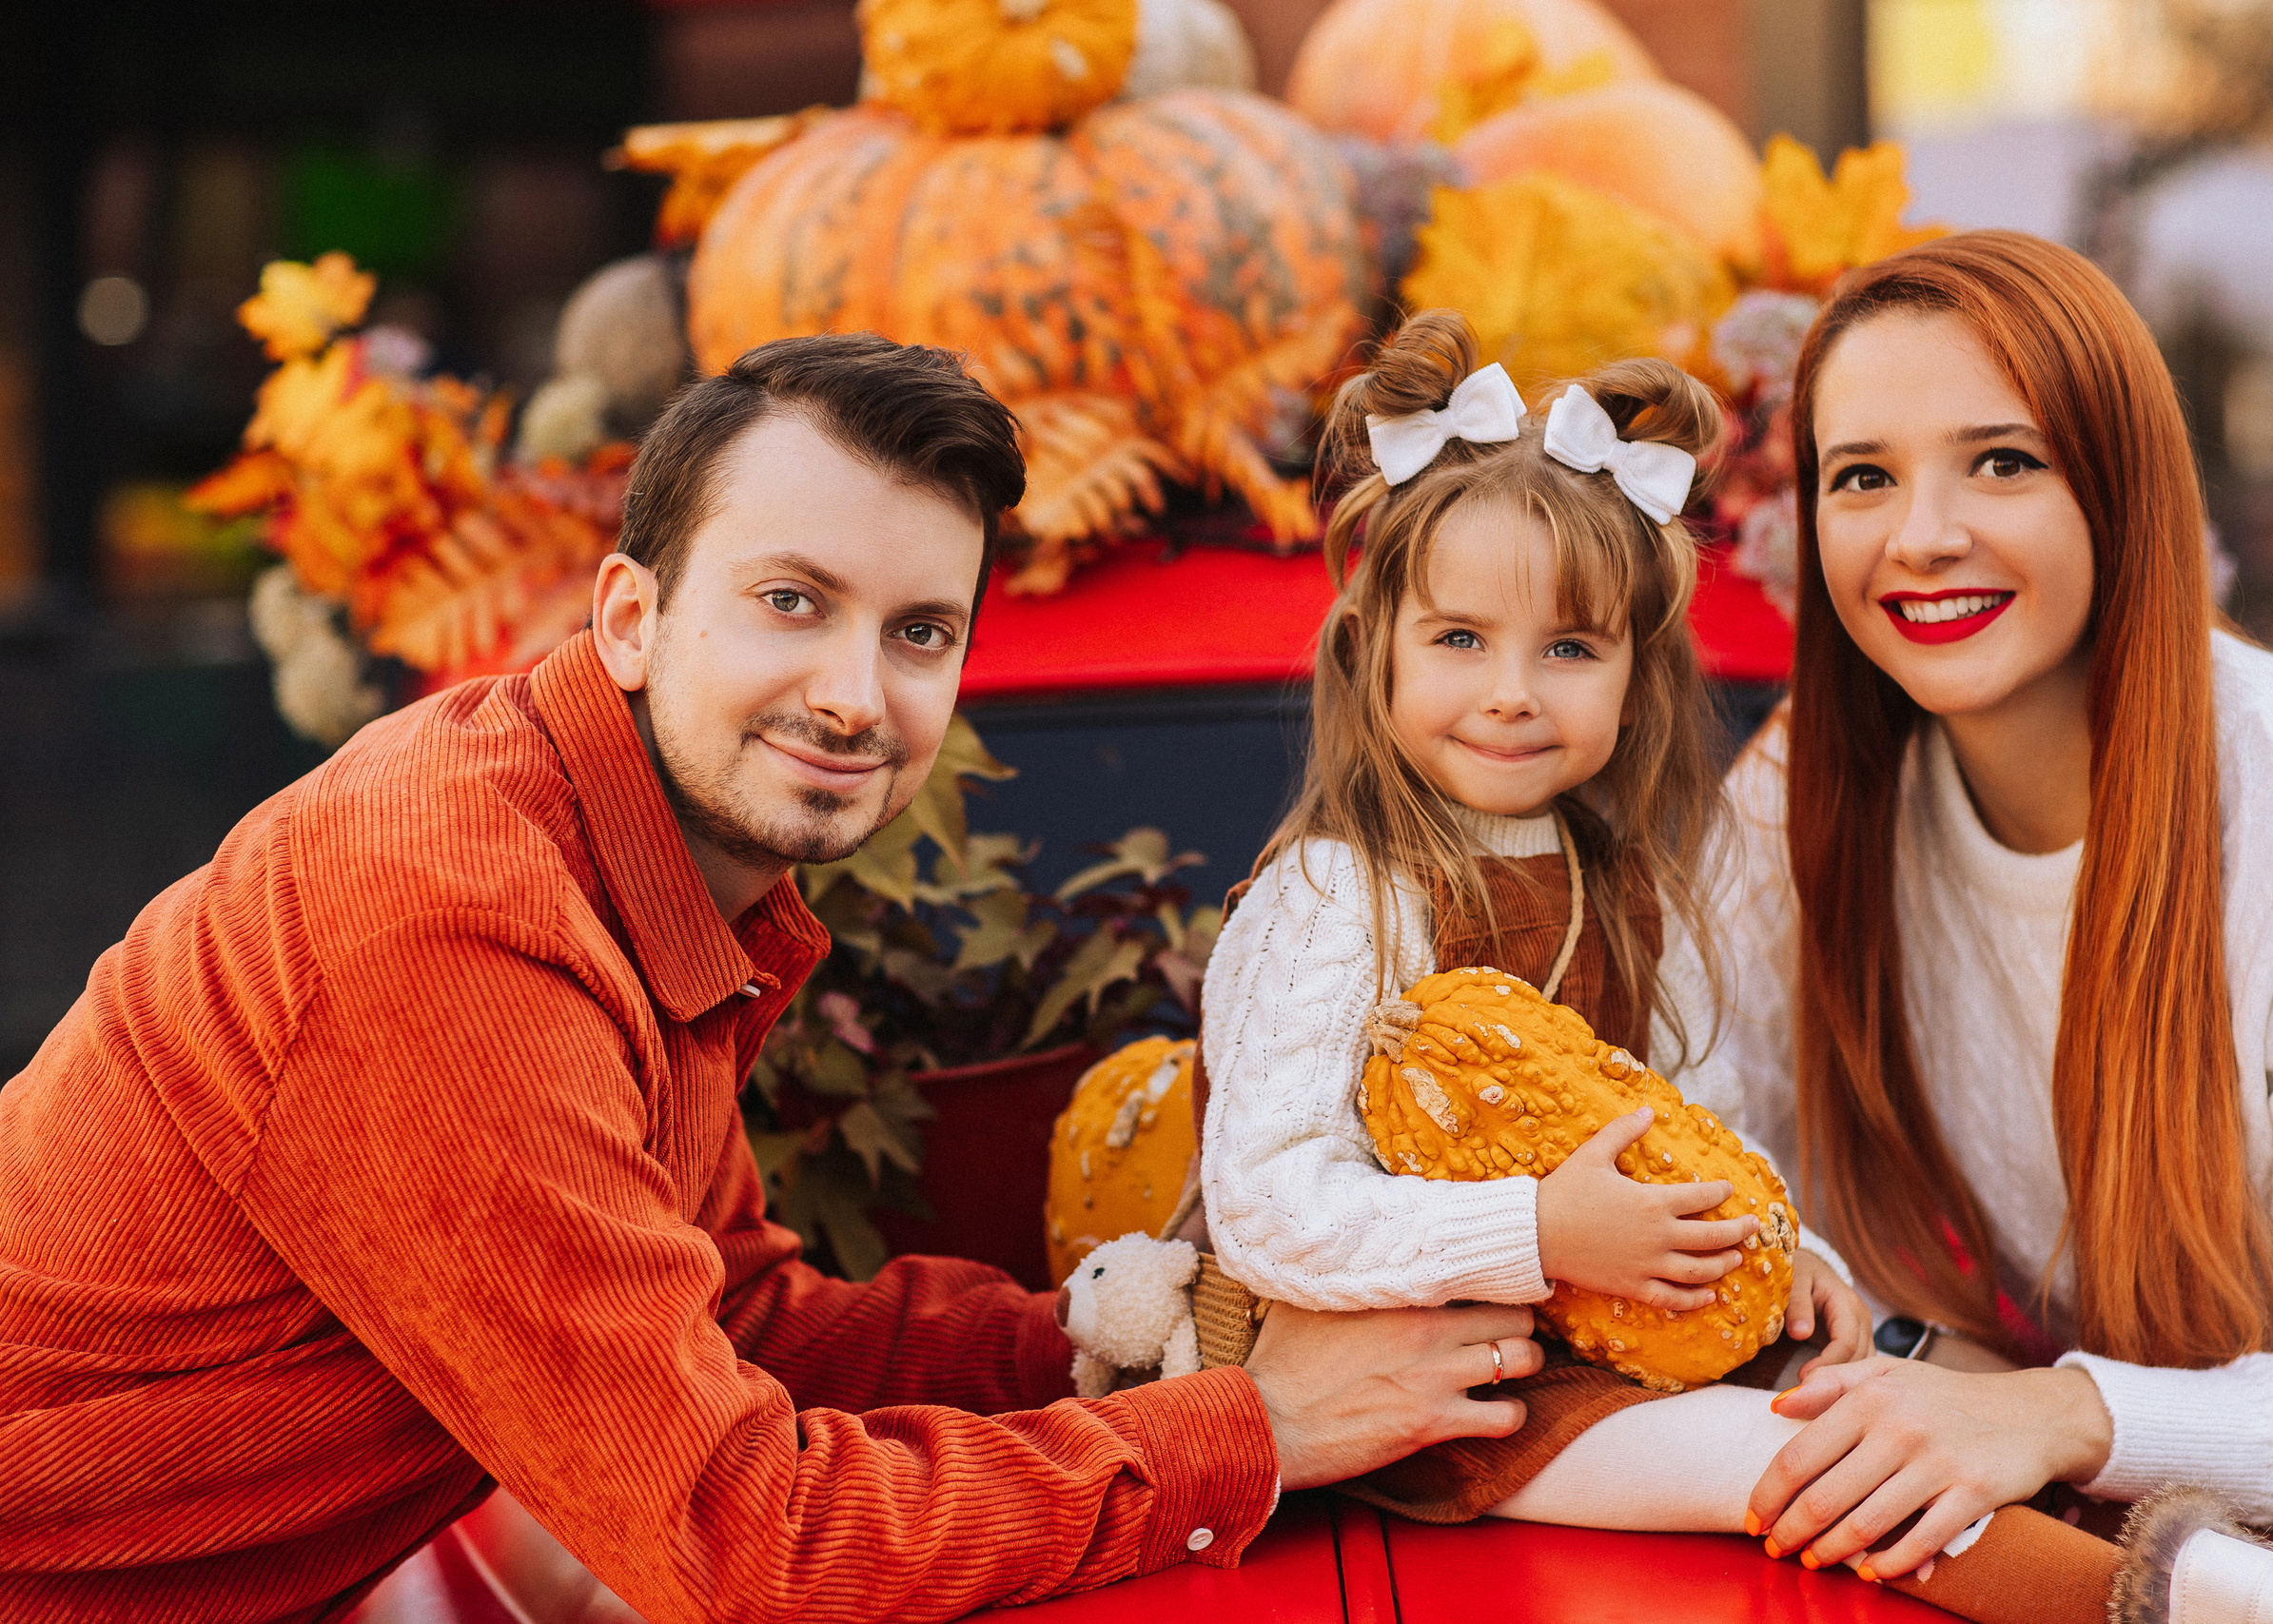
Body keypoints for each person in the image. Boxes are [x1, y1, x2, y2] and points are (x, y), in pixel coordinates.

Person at [0, 333, 1550, 1624]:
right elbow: (736, 1539)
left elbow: (730, 1317)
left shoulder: (653, 873)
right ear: (630, 614)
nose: (853, 695)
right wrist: (1257, 1429)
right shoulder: (448, 912)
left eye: (920, 631)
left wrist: (1144, 1336)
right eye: (790, 602)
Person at [1668, 230, 2273, 1585]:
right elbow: (1690, 1127)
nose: (1921, 537)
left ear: (2121, 488)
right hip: (2086, 1547)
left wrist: (2052, 1413)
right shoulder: (1810, 788)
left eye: (2002, 462)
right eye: (1865, 478)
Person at [1194, 310, 1871, 1537]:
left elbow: (1679, 1122)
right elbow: (1265, 1208)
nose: (1512, 692)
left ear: (1634, 672)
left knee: (1887, 1419)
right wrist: (1544, 1232)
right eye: (1459, 639)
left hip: (1600, 1341)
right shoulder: (1339, 897)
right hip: (1419, 1388)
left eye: (1568, 646)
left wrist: (1781, 1244)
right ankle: (2212, 1595)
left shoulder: (1622, 883)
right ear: (1373, 656)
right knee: (1822, 1471)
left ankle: (2238, 1578)